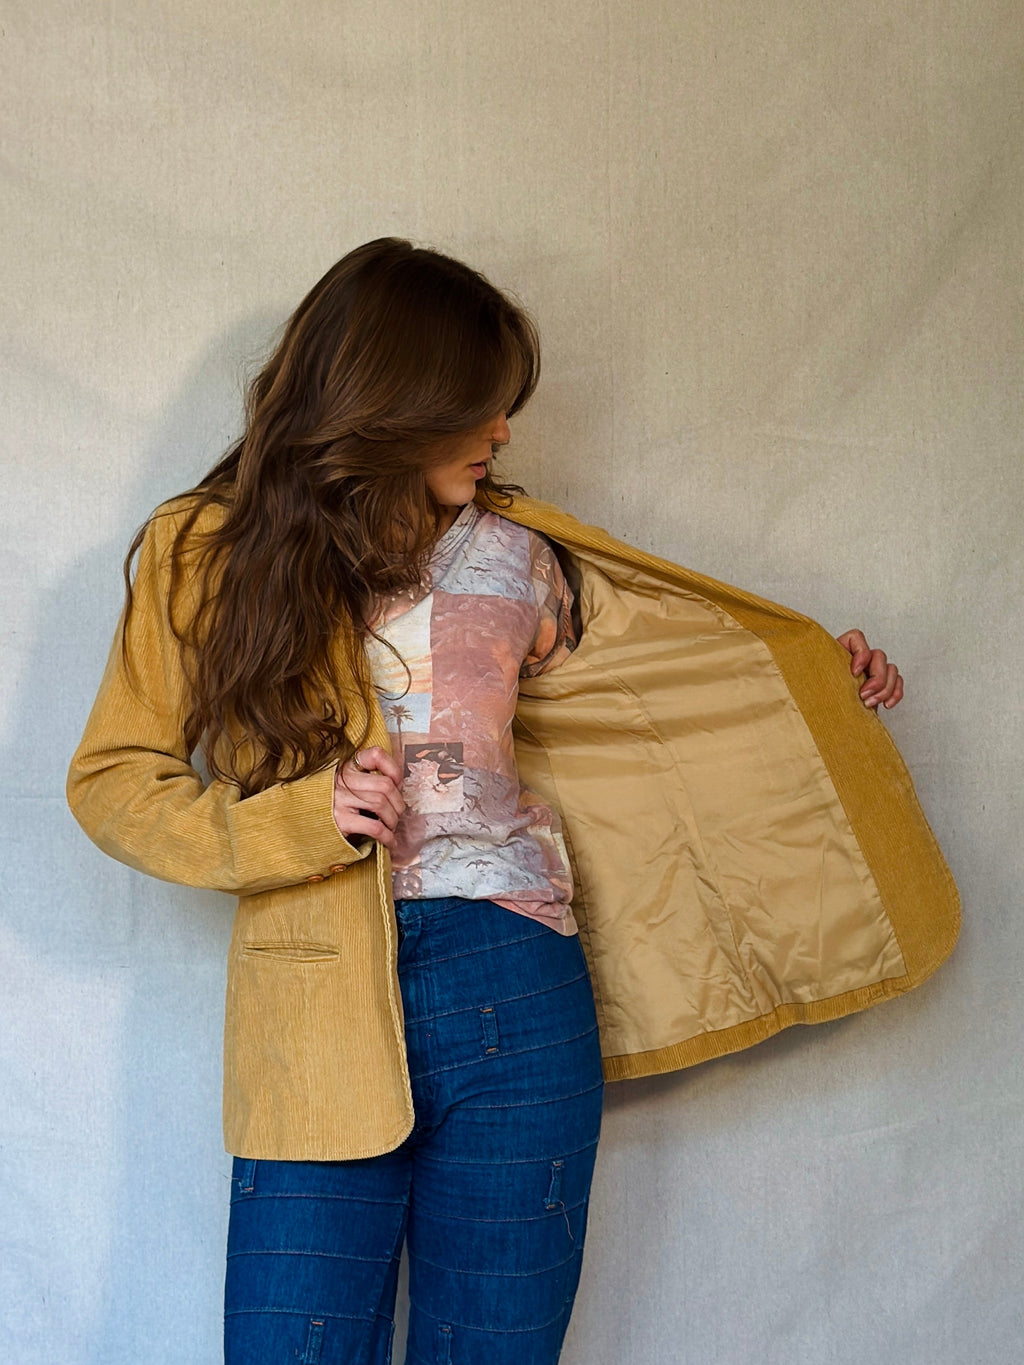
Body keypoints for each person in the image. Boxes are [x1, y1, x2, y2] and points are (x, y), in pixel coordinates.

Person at [67, 237, 955, 1365]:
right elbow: (112, 783)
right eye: (480, 409)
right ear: (395, 402)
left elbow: (670, 693)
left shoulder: (524, 554)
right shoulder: (203, 550)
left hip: (518, 982)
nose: (501, 434)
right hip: (318, 1000)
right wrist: (295, 819)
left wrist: (825, 681)